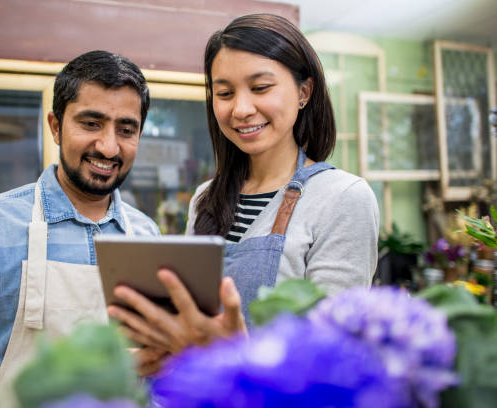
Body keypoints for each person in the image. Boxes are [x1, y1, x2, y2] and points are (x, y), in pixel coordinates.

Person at [107, 13, 379, 373]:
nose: (241, 108)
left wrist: (234, 353)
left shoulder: (343, 197)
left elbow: (333, 362)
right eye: (224, 93)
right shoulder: (207, 198)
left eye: (261, 87)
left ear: (304, 92)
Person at [0, 50, 161, 407]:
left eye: (126, 129)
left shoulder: (147, 236)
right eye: (91, 124)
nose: (109, 146)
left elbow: (151, 379)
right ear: (56, 126)